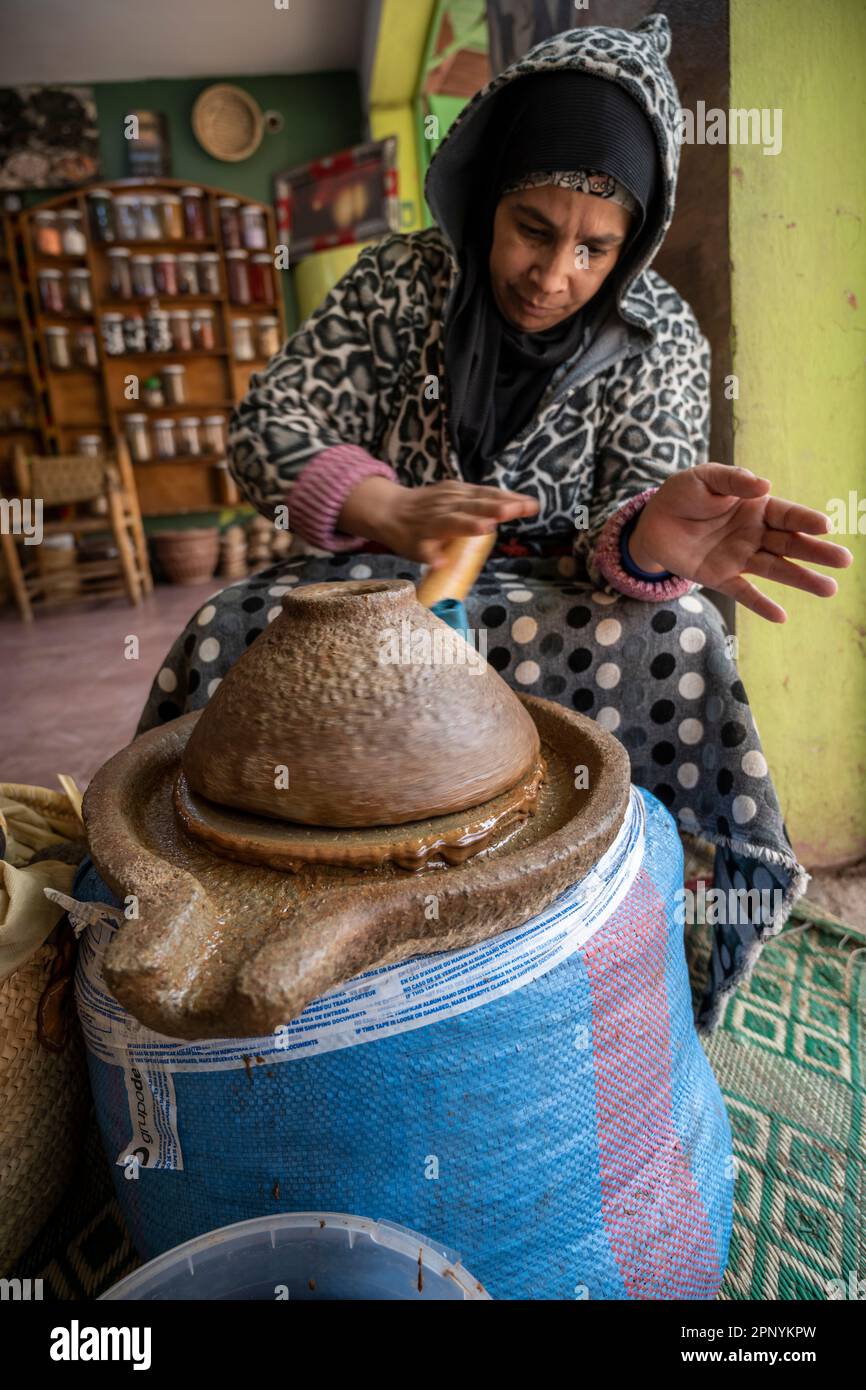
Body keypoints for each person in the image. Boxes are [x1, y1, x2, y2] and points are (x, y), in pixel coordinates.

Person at [138, 15, 850, 1030]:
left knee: (683, 636)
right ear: (486, 195)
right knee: (224, 630)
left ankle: (650, 984)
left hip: (568, 597)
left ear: (633, 240)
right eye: (531, 227)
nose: (554, 274)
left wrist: (650, 540)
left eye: (594, 248)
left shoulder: (660, 336)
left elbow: (628, 521)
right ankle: (217, 957)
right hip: (375, 588)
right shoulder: (397, 282)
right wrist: (386, 504)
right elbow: (269, 425)